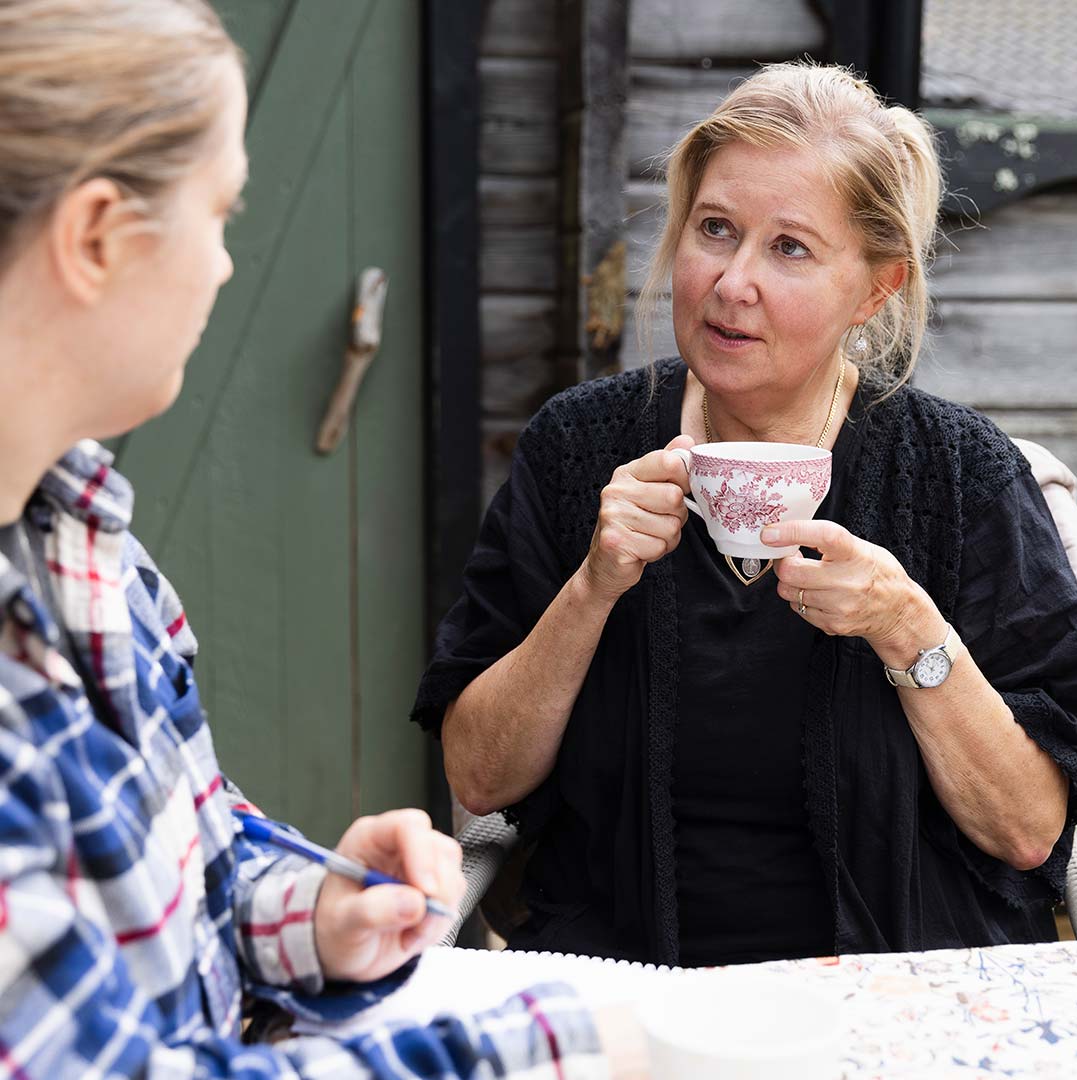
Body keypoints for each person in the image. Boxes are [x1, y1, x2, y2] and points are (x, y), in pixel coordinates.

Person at [0, 1, 643, 1075]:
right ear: (99, 236)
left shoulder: (91, 546)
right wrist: (562, 1048)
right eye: (220, 212)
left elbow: (184, 860)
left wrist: (308, 911)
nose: (224, 267)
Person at [414, 62, 1077, 967]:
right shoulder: (578, 450)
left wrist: (908, 628)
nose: (732, 282)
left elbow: (1030, 833)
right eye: (715, 229)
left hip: (887, 995)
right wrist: (592, 589)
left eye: (790, 248)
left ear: (875, 288)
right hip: (625, 983)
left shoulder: (962, 478)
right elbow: (480, 776)